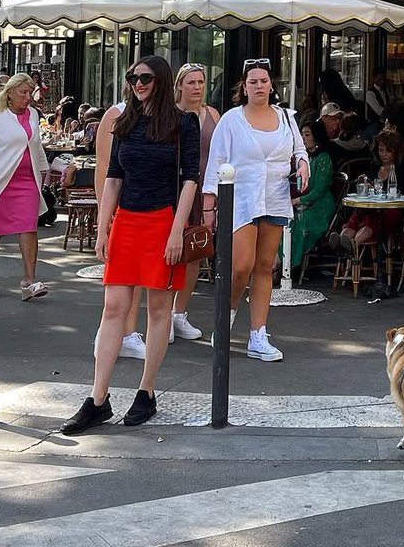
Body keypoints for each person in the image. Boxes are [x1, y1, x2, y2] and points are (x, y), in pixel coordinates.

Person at [61, 56, 200, 434]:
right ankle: (98, 398)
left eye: (146, 77)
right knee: (113, 309)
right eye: (132, 77)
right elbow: (113, 177)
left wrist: (176, 230)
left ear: (161, 80)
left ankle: (146, 391)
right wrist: (103, 229)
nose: (138, 83)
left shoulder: (183, 123)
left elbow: (191, 179)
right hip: (126, 222)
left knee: (158, 310)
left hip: (162, 221)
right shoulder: (126, 122)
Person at [202, 59, 308, 363]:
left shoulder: (287, 118)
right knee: (241, 266)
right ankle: (227, 316)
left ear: (271, 85)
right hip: (241, 198)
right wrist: (209, 203)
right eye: (253, 81)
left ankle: (258, 335)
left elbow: (299, 150)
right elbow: (216, 162)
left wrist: (302, 164)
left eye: (264, 80)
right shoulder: (232, 120)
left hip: (274, 197)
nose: (259, 86)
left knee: (264, 267)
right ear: (244, 87)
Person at [0, 73, 50, 300]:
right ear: (9, 93)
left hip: (26, 180)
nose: (28, 98)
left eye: (30, 93)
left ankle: (29, 280)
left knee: (29, 226)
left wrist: (44, 169)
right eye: (23, 93)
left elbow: (35, 146)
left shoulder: (34, 114)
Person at [94, 95, 147, 360]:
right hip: (122, 207)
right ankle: (115, 333)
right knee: (119, 280)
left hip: (150, 208)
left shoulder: (165, 117)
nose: (141, 84)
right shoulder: (116, 114)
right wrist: (104, 216)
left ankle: (127, 332)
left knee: (139, 277)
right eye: (136, 78)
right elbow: (104, 167)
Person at [171, 63, 221, 342]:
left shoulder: (212, 114)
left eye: (201, 82)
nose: (197, 87)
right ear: (179, 85)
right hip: (176, 186)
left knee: (196, 249)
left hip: (206, 188)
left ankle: (180, 312)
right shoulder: (170, 114)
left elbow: (222, 153)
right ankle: (164, 312)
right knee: (172, 248)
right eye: (191, 82)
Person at [331, 129, 404, 252]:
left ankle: (353, 244)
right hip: (371, 207)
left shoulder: (403, 170)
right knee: (357, 215)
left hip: (392, 210)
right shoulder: (374, 168)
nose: (384, 154)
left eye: (388, 151)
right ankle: (342, 239)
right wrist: (365, 184)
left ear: (396, 151)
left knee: (372, 221)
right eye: (381, 150)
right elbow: (370, 188)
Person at [288, 118, 335, 271]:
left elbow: (318, 191)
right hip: (306, 203)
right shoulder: (307, 159)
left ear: (316, 136)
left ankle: (286, 265)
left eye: (307, 135)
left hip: (320, 206)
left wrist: (297, 201)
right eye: (302, 134)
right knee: (286, 222)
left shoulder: (324, 159)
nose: (303, 138)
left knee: (299, 223)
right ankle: (279, 264)